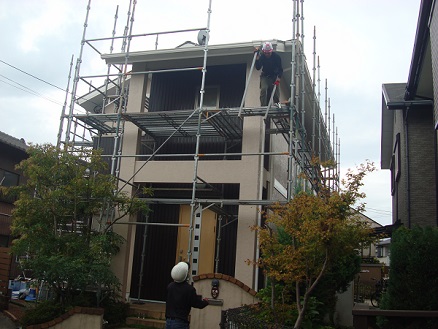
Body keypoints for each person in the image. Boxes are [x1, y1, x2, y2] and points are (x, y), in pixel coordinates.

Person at [165, 262, 209, 328]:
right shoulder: (189, 289)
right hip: (180, 322)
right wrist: (205, 302)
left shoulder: (170, 286)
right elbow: (197, 303)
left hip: (169, 321)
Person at [255, 41, 283, 106]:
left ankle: (277, 103)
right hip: (265, 76)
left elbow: (280, 69)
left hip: (274, 76)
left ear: (271, 51)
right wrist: (257, 59)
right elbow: (258, 67)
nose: (267, 54)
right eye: (266, 53)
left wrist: (278, 78)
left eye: (269, 53)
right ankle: (263, 106)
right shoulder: (262, 57)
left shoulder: (276, 57)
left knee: (275, 91)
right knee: (263, 89)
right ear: (264, 52)